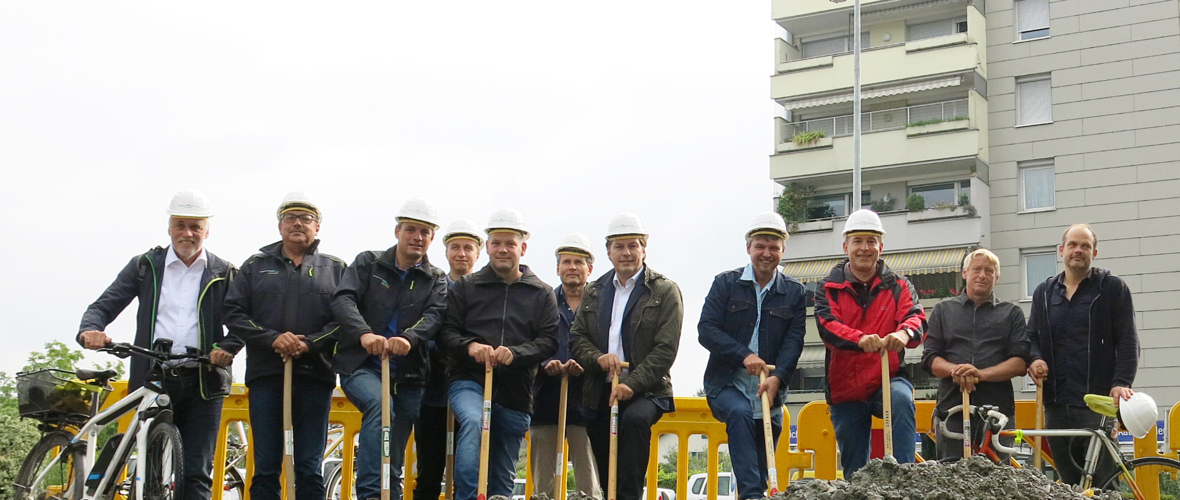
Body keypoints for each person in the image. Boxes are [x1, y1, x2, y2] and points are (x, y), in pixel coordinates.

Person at [77, 188, 238, 500]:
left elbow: (243, 321)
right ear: (169, 228)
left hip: (204, 381)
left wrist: (229, 347)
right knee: (150, 473)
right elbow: (103, 305)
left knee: (196, 473)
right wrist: (91, 329)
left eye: (195, 226)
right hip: (154, 375)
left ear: (207, 230)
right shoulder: (145, 266)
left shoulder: (224, 272)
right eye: (180, 225)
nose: (187, 233)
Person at [223, 191, 346, 500]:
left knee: (308, 465)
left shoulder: (336, 268)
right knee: (265, 465)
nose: (298, 224)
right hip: (267, 375)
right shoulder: (255, 264)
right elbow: (234, 313)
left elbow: (347, 320)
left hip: (315, 376)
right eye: (290, 218)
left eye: (306, 219)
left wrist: (311, 344)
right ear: (279, 226)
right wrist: (272, 338)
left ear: (317, 228)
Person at [331, 198, 448, 500]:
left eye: (425, 232)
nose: (417, 237)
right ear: (397, 231)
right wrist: (363, 334)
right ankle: (370, 494)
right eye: (411, 229)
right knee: (382, 409)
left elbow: (435, 316)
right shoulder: (368, 263)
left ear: (432, 238)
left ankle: (387, 494)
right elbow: (344, 300)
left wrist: (409, 338)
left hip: (409, 376)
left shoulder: (435, 279)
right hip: (362, 365)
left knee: (393, 457)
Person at [438, 207, 558, 500]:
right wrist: (470, 346)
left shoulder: (541, 293)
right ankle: (466, 496)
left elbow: (549, 341)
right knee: (476, 420)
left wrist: (516, 353)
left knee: (502, 476)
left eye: (510, 244)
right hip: (469, 379)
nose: (503, 250)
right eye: (496, 243)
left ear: (523, 248)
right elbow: (445, 332)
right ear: (488, 246)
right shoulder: (467, 287)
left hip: (517, 389)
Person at [570, 212, 683, 500]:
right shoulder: (594, 291)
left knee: (633, 426)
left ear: (644, 249)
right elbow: (577, 338)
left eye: (633, 245)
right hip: (600, 390)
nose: (627, 253)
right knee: (606, 470)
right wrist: (597, 358)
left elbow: (665, 349)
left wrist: (631, 383)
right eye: (619, 246)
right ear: (608, 252)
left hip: (646, 391)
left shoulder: (664, 290)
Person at [698, 212, 806, 499]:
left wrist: (778, 378)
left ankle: (755, 492)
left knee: (761, 464)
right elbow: (706, 330)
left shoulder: (795, 293)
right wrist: (743, 355)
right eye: (760, 246)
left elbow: (794, 343)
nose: (766, 253)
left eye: (774, 247)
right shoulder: (725, 284)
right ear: (749, 248)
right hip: (726, 384)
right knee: (740, 413)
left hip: (769, 391)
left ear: (783, 250)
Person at [814, 209, 925, 476]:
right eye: (858, 241)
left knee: (901, 398)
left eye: (871, 241)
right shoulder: (827, 287)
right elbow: (828, 327)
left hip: (887, 377)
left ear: (881, 246)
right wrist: (860, 339)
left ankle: (905, 477)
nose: (864, 248)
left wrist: (904, 334)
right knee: (855, 470)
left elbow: (917, 318)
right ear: (846, 246)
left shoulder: (900, 285)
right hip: (846, 389)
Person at [1027, 224, 1139, 486]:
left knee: (1103, 483)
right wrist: (1034, 359)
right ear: (1061, 250)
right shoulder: (1043, 293)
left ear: (1094, 252)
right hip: (1056, 404)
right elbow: (1031, 337)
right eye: (1073, 245)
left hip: (1097, 403)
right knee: (1068, 485)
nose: (1078, 250)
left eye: (1085, 246)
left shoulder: (1112, 288)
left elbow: (1128, 339)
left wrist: (1121, 382)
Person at [921, 248, 1029, 460]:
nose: (982, 275)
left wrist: (980, 374)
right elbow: (930, 359)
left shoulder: (1012, 313)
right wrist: (957, 371)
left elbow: (1020, 362)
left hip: (998, 412)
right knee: (951, 479)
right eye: (976, 269)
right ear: (964, 273)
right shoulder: (943, 311)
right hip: (952, 410)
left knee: (999, 483)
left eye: (989, 271)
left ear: (996, 278)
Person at [412, 217, 483, 500]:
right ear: (446, 252)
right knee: (429, 470)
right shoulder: (432, 285)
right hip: (432, 390)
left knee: (467, 469)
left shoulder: (484, 292)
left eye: (468, 248)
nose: (461, 254)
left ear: (478, 253)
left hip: (471, 384)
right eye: (455, 247)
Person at [529, 232, 602, 499]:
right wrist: (546, 363)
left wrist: (586, 362)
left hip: (588, 398)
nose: (572, 267)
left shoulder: (601, 303)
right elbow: (530, 340)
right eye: (567, 261)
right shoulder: (543, 300)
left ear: (589, 268)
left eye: (579, 262)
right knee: (543, 482)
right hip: (545, 396)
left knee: (589, 479)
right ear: (558, 267)